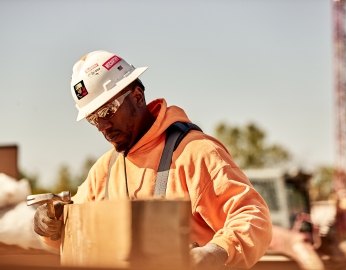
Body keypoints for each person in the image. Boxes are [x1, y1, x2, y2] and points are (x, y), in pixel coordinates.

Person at [33, 50, 272, 269]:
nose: (102, 126)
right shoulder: (106, 170)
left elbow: (253, 215)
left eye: (107, 111)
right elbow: (73, 231)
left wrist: (215, 253)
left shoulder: (194, 152)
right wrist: (48, 226)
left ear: (137, 96)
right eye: (93, 118)